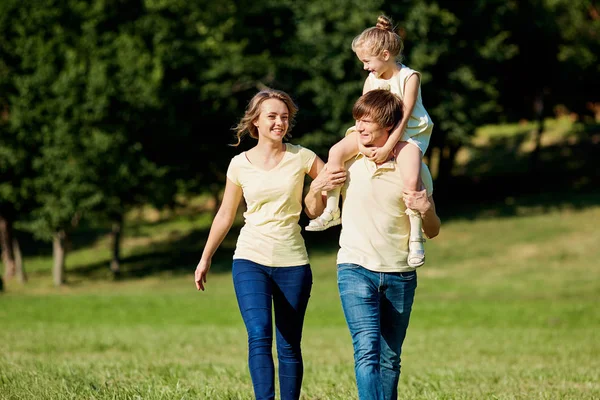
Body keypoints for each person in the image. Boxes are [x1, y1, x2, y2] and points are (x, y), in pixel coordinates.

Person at [194, 88, 345, 400]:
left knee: (289, 342)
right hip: (250, 259)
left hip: (293, 263)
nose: (280, 122)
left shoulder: (302, 157)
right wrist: (205, 257)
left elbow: (319, 201)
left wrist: (317, 190)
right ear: (256, 123)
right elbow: (225, 214)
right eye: (272, 116)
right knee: (259, 335)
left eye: (284, 117)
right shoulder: (239, 164)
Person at [305, 89, 441, 400]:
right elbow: (312, 210)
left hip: (400, 273)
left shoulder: (414, 168)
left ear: (389, 126)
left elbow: (433, 230)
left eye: (368, 122)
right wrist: (317, 188)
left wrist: (425, 208)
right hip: (355, 268)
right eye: (358, 121)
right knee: (366, 350)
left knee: (390, 358)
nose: (360, 128)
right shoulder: (349, 162)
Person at [305, 14, 434, 269]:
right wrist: (362, 145)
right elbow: (366, 114)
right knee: (336, 151)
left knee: (411, 179)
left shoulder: (409, 77)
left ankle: (416, 235)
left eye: (367, 61)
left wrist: (388, 147)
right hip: (377, 130)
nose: (365, 67)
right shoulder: (371, 79)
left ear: (385, 55)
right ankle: (332, 208)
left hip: (407, 134)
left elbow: (405, 117)